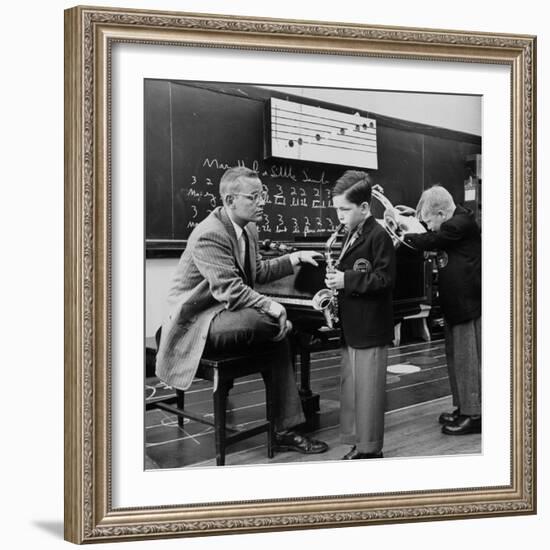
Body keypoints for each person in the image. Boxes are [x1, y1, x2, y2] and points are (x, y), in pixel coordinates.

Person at [156, 166, 328, 455]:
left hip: (223, 312)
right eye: (254, 197)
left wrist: (295, 257)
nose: (262, 202)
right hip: (196, 321)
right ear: (229, 201)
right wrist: (273, 306)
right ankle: (284, 426)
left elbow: (258, 272)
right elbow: (231, 290)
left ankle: (284, 429)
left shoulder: (248, 228)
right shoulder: (209, 234)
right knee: (271, 320)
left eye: (263, 195)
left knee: (276, 331)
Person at [325, 170, 396, 459]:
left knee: (368, 392)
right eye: (337, 209)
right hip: (353, 324)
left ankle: (370, 450)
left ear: (364, 208)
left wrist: (346, 280)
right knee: (353, 387)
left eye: (345, 209)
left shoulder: (379, 236)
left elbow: (385, 280)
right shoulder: (351, 232)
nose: (339, 215)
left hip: (370, 326)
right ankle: (357, 441)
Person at [403, 185, 481, 435]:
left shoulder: (458, 223)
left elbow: (431, 240)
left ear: (440, 213)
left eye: (429, 221)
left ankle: (475, 413)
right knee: (455, 358)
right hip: (454, 303)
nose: (429, 227)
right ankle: (463, 407)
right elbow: (433, 233)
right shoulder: (454, 220)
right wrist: (409, 218)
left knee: (467, 360)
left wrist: (404, 232)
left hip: (465, 304)